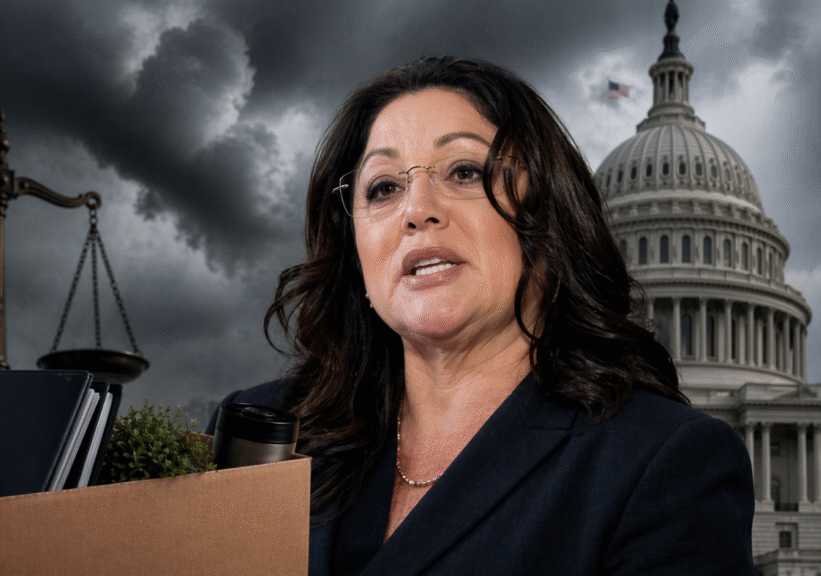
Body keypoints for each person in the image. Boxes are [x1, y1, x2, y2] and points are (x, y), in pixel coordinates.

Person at [206, 56, 755, 575]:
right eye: (384, 187)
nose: (416, 210)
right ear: (354, 247)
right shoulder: (260, 430)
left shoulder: (664, 465)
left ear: (549, 219)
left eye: (465, 171)